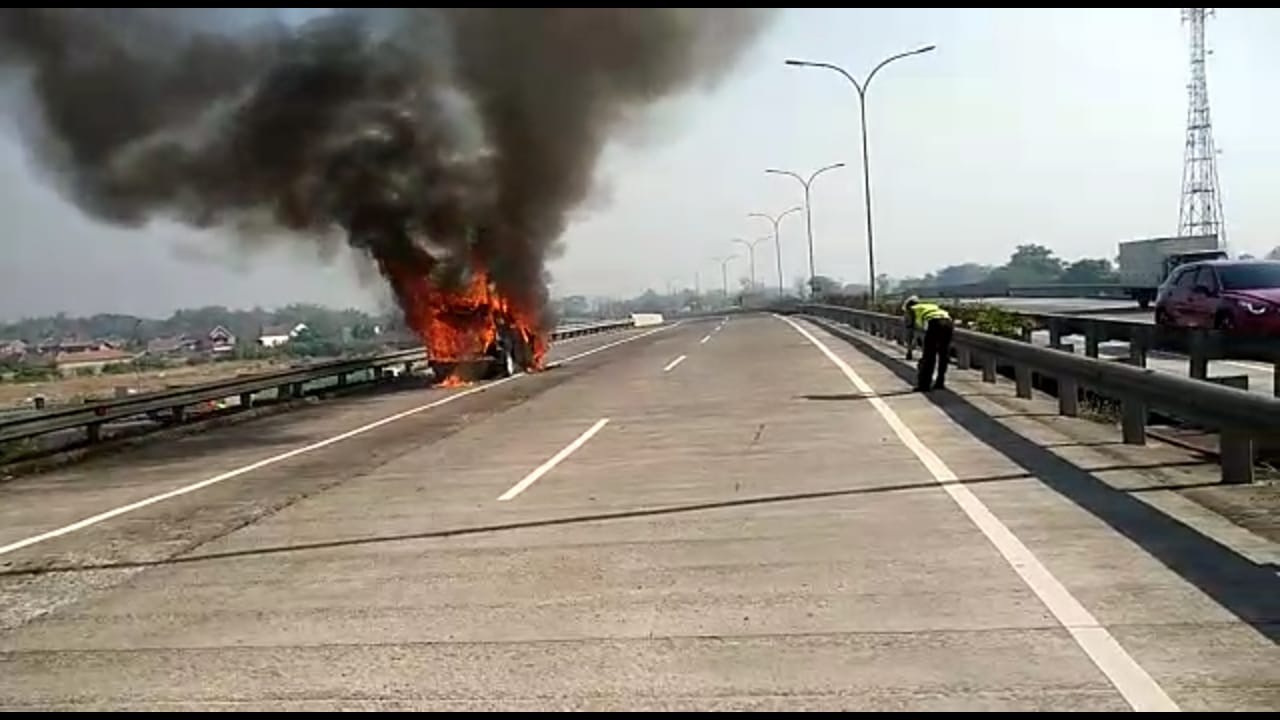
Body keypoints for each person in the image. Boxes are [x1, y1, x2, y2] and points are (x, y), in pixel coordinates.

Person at [902, 296, 954, 392]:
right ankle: (940, 382)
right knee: (943, 353)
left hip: (934, 323)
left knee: (929, 355)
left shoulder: (912, 309)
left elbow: (910, 328)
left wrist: (911, 346)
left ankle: (924, 385)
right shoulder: (930, 306)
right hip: (948, 322)